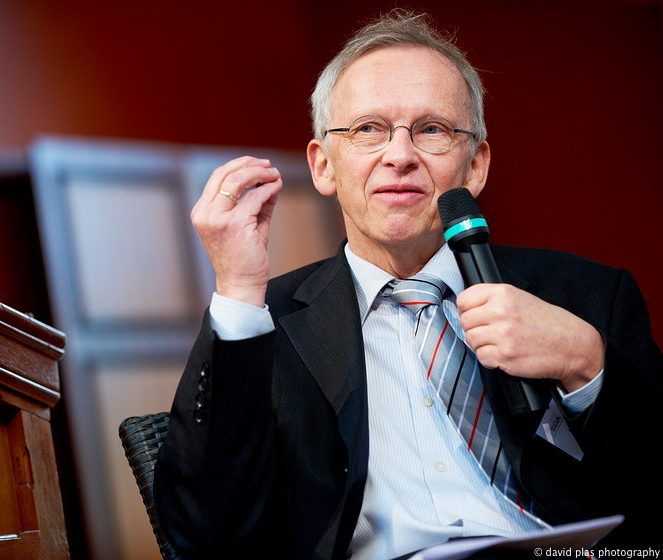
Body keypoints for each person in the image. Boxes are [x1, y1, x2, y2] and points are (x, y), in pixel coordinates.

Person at [153, 10, 662, 559]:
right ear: (324, 166)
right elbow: (203, 533)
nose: (399, 156)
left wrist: (587, 364)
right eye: (368, 129)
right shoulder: (263, 323)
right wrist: (237, 289)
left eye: (432, 129)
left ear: (475, 166)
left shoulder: (589, 296)